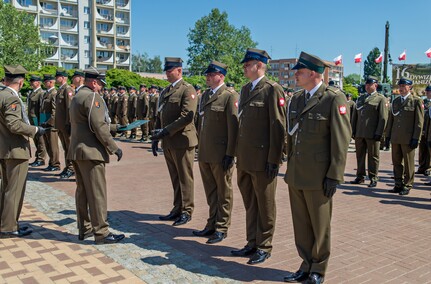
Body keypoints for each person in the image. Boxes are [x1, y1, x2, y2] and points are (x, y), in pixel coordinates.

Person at [283, 52, 351, 284]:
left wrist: (334, 175)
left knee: (320, 226)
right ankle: (305, 264)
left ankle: (318, 270)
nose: (295, 76)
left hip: (319, 176)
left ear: (313, 73)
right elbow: (292, 137)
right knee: (301, 225)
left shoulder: (333, 98)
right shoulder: (298, 98)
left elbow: (340, 140)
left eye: (299, 72)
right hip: (297, 173)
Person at [231, 48, 286, 265]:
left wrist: (274, 159)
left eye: (248, 64)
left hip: (263, 160)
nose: (244, 68)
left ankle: (264, 246)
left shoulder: (272, 90)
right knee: (250, 203)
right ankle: (252, 241)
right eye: (244, 65)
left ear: (260, 66)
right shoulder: (245, 90)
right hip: (245, 159)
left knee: (265, 204)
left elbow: (278, 127)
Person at [67, 67, 124, 244]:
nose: (100, 88)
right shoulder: (92, 96)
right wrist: (114, 147)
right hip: (91, 152)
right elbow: (98, 126)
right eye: (100, 84)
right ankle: (102, 232)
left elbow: (87, 123)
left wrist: (115, 128)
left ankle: (85, 229)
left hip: (77, 150)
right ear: (93, 82)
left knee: (82, 192)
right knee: (97, 193)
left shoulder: (77, 96)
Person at [192, 61, 238, 244]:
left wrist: (230, 153)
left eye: (211, 75)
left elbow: (233, 127)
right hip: (205, 152)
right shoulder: (204, 96)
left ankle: (222, 227)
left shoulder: (229, 96)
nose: (207, 78)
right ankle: (211, 223)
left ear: (221, 76)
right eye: (207, 75)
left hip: (221, 154)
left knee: (223, 192)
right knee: (211, 192)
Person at [150, 57, 198, 226]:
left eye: (170, 71)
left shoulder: (187, 90)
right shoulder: (165, 91)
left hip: (183, 141)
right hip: (168, 141)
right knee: (175, 177)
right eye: (166, 71)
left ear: (179, 71)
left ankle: (187, 210)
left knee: (185, 177)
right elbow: (160, 115)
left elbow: (187, 116)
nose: (167, 74)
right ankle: (177, 208)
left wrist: (165, 131)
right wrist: (156, 137)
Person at [0, 65, 46, 238]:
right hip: (15, 150)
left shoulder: (1, 95)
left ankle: (5, 222)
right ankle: (9, 227)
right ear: (20, 82)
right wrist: (34, 130)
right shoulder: (11, 98)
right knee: (14, 190)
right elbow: (14, 124)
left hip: (4, 149)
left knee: (6, 188)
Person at [386, 77, 424, 196]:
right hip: (396, 138)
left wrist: (416, 138)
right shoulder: (395, 101)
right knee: (396, 162)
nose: (401, 88)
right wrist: (387, 137)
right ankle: (398, 184)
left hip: (408, 139)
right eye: (400, 86)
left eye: (404, 86)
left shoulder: (416, 101)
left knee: (408, 163)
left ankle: (407, 185)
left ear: (410, 87)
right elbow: (391, 120)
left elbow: (419, 122)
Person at [350, 76, 387, 188]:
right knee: (359, 155)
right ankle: (360, 176)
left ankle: (373, 177)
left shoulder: (380, 98)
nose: (367, 86)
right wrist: (353, 130)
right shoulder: (361, 99)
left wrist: (379, 133)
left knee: (373, 156)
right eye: (366, 84)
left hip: (372, 133)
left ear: (375, 85)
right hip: (360, 133)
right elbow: (354, 116)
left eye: (369, 84)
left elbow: (383, 118)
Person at [54, 68, 75, 179]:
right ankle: (68, 167)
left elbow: (69, 108)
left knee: (69, 147)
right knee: (65, 148)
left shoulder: (68, 90)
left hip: (66, 125)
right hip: (61, 125)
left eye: (58, 77)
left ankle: (71, 169)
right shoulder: (60, 90)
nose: (56, 79)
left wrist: (69, 124)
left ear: (63, 78)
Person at [40, 74, 61, 172]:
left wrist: (49, 122)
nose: (45, 83)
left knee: (53, 146)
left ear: (51, 82)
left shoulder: (54, 93)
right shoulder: (46, 93)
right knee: (47, 144)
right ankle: (51, 163)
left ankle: (55, 164)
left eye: (46, 82)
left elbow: (54, 110)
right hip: (44, 122)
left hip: (51, 124)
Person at [28, 75, 47, 167]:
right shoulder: (32, 93)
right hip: (32, 118)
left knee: (40, 140)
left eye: (33, 81)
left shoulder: (41, 93)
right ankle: (38, 157)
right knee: (35, 139)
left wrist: (41, 121)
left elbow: (41, 108)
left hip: (37, 119)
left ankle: (41, 158)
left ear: (38, 83)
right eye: (31, 81)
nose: (31, 83)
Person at [417, 85, 431, 176]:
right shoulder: (423, 101)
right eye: (427, 91)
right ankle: (422, 166)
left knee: (429, 150)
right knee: (422, 149)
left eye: (429, 92)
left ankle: (428, 168)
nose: (427, 93)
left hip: (429, 129)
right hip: (422, 128)